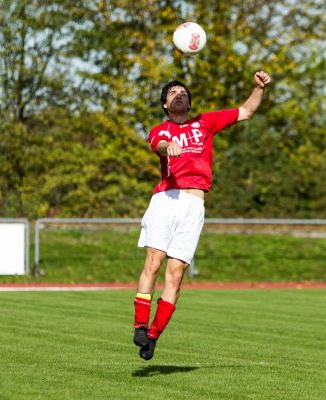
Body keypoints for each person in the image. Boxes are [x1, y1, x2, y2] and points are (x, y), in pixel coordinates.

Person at [133, 71, 272, 360]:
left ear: (189, 100)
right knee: (154, 263)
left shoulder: (205, 122)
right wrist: (167, 147)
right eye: (172, 93)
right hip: (166, 198)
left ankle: (154, 336)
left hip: (194, 205)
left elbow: (246, 111)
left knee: (176, 275)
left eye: (182, 91)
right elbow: (157, 144)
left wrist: (258, 88)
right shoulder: (162, 129)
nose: (178, 94)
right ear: (164, 104)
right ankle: (140, 325)